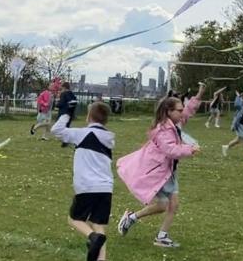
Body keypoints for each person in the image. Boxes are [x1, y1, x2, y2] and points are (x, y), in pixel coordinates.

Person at [116, 84, 205, 248]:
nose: (182, 112)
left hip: (169, 171)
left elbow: (188, 112)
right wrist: (190, 149)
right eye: (178, 110)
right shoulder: (163, 130)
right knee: (166, 205)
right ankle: (140, 223)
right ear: (168, 112)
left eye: (181, 109)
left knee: (170, 205)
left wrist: (198, 95)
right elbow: (170, 150)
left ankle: (153, 231)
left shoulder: (175, 123)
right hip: (158, 172)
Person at [50, 102, 115, 261]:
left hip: (87, 187)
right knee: (99, 224)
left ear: (88, 116)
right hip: (106, 187)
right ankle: (101, 258)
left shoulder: (82, 134)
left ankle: (92, 237)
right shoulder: (109, 137)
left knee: (74, 219)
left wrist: (66, 114)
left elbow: (56, 130)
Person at [56, 82, 78, 147]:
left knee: (60, 128)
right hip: (70, 113)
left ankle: (68, 140)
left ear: (64, 87)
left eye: (62, 87)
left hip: (63, 113)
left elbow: (61, 103)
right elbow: (74, 103)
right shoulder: (72, 94)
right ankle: (65, 141)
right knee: (67, 127)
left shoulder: (64, 94)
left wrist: (57, 104)